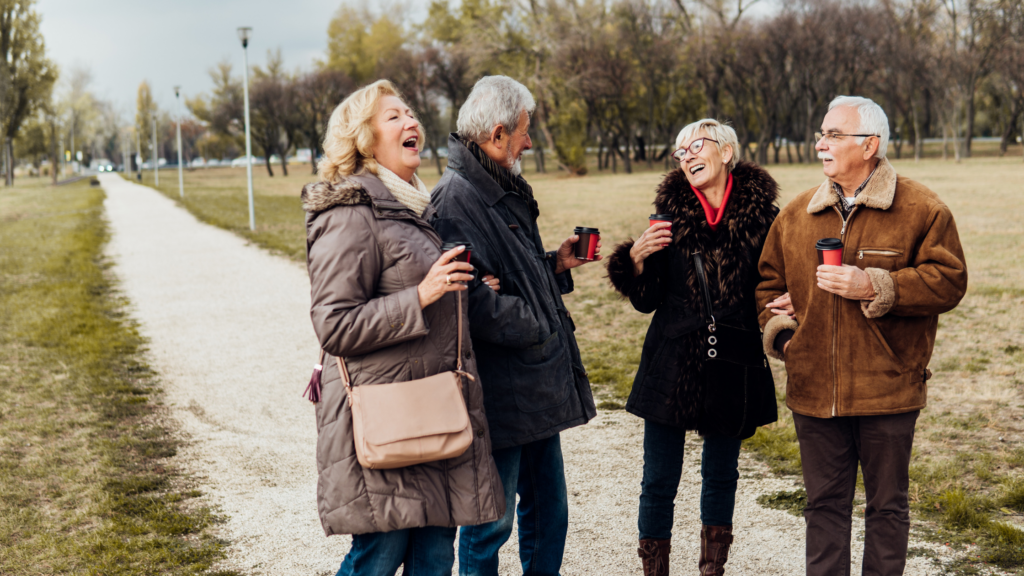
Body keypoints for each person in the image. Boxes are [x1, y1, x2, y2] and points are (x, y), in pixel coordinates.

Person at [757, 96, 968, 576]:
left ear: (869, 145)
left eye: (833, 135)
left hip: (888, 388)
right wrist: (789, 342)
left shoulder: (922, 209)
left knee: (888, 509)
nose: (820, 144)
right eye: (821, 134)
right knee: (823, 507)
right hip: (814, 393)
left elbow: (949, 279)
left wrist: (875, 283)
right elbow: (768, 287)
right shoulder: (794, 216)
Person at [301, 79, 505, 576]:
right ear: (365, 139)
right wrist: (422, 295)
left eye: (410, 112)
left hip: (434, 407)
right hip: (389, 417)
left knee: (435, 559)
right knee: (379, 557)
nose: (411, 121)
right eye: (393, 116)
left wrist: (465, 291)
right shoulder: (349, 212)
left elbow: (416, 282)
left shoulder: (415, 207)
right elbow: (334, 324)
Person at [429, 75, 599, 576]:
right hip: (500, 392)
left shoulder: (499, 186)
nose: (530, 141)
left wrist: (554, 266)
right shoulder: (454, 199)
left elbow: (510, 277)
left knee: (550, 512)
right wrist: (537, 324)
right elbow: (468, 301)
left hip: (535, 382)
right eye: (525, 131)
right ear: (498, 133)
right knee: (490, 525)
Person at [606, 119, 780, 576]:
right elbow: (646, 301)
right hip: (672, 360)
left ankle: (711, 570)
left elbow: (776, 283)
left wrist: (788, 301)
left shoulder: (766, 218)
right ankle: (654, 570)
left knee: (722, 474)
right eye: (679, 150)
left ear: (726, 152)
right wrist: (637, 260)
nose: (685, 156)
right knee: (659, 479)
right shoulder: (668, 215)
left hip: (735, 361)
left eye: (695, 146)